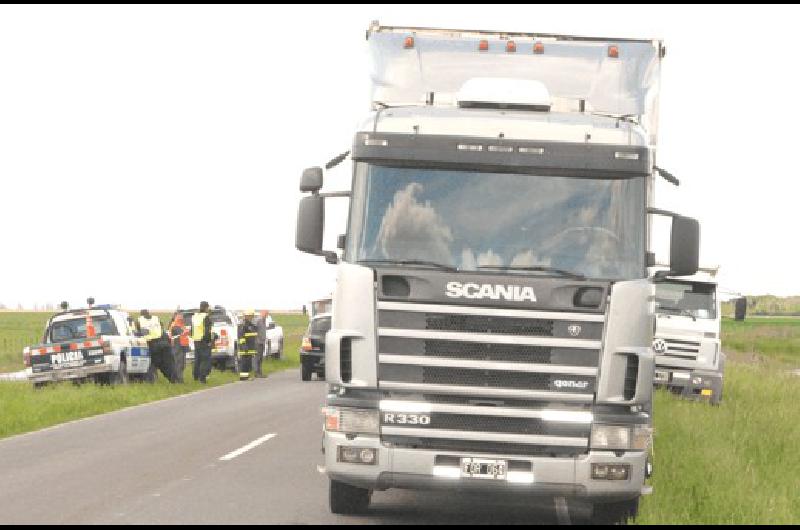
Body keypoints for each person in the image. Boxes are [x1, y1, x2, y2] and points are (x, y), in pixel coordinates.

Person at [139, 309, 174, 382]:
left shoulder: (141, 321)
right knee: (167, 364)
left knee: (152, 363)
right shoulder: (156, 319)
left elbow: (139, 333)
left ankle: (151, 380)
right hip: (164, 344)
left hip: (153, 345)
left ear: (141, 315)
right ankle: (174, 380)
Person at [192, 301, 213, 383]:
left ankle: (195, 376)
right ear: (206, 307)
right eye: (208, 308)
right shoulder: (206, 317)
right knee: (205, 360)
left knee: (198, 359)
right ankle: (202, 378)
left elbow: (192, 329)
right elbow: (207, 331)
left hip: (196, 340)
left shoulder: (195, 316)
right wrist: (208, 341)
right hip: (203, 340)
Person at [169, 312, 190, 383]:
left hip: (182, 345)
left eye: (182, 316)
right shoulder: (175, 325)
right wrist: (186, 331)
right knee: (179, 362)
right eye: (180, 316)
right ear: (176, 317)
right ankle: (178, 379)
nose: (182, 317)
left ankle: (177, 378)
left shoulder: (181, 325)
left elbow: (186, 333)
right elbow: (182, 333)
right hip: (177, 345)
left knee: (182, 363)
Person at [237, 310, 258, 380]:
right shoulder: (243, 325)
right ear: (247, 316)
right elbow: (241, 336)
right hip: (245, 347)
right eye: (251, 316)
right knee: (244, 362)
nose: (252, 317)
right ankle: (243, 377)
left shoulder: (250, 325)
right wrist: (244, 346)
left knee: (248, 362)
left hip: (250, 347)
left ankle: (246, 376)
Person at [254, 310, 268, 378]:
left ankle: (260, 372)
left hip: (262, 342)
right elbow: (254, 329)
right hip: (258, 342)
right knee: (258, 357)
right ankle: (257, 372)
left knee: (261, 358)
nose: (266, 315)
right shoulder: (258, 320)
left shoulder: (264, 321)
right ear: (262, 313)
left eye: (267, 313)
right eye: (265, 313)